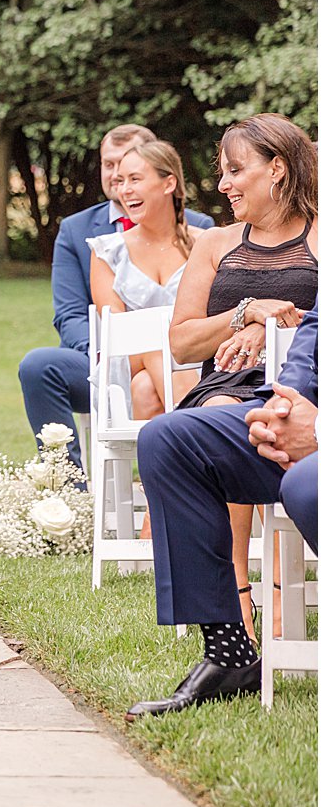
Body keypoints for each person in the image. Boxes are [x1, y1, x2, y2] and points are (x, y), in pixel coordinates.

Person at [166, 112, 317, 640]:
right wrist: (248, 312)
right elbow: (182, 340)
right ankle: (236, 597)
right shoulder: (215, 243)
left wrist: (274, 331)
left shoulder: (320, 236)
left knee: (277, 419)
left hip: (302, 388)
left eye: (236, 170)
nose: (224, 184)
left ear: (277, 169)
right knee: (223, 418)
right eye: (221, 172)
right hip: (226, 386)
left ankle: (281, 593)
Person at [128, 309, 317, 719]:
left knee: (306, 485)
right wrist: (287, 405)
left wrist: (317, 431)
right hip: (302, 410)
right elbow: (313, 330)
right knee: (168, 439)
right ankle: (231, 655)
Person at [19, 124, 213, 469]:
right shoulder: (81, 233)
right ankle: (68, 494)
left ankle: (166, 503)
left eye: (131, 173)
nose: (118, 182)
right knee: (40, 365)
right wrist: (101, 355)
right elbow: (71, 314)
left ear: (165, 177)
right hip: (111, 353)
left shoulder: (205, 233)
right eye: (110, 168)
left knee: (144, 388)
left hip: (193, 357)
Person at [87, 140, 207, 418]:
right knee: (155, 345)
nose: (124, 190)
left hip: (196, 359)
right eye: (120, 181)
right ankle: (199, 427)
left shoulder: (206, 244)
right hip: (127, 363)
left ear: (168, 184)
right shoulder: (106, 252)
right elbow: (118, 331)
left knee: (145, 390)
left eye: (135, 179)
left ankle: (175, 448)